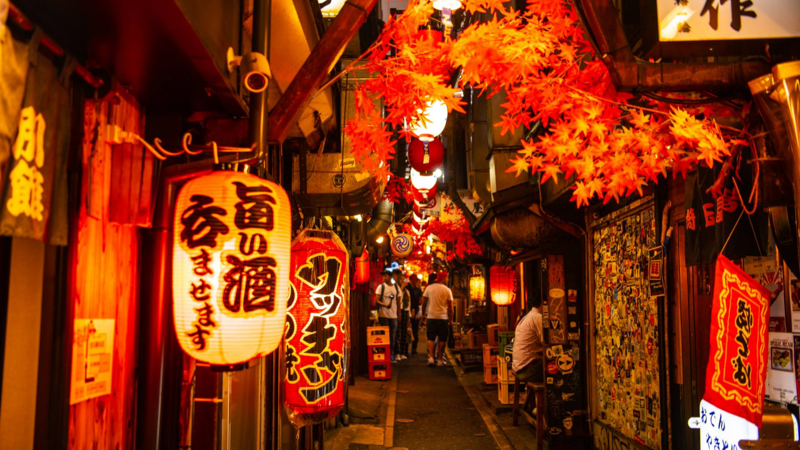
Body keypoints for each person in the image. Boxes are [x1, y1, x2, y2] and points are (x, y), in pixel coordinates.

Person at [421, 272, 453, 366]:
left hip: (431, 316)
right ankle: (439, 360)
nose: (447, 279)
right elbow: (450, 306)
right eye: (446, 278)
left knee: (431, 337)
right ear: (443, 278)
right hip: (443, 317)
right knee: (442, 339)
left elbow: (424, 302)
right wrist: (450, 319)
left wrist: (423, 314)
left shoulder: (429, 288)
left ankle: (431, 357)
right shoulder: (447, 290)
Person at [512, 299, 544, 382]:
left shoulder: (526, 317)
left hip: (518, 368)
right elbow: (546, 343)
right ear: (542, 303)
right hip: (527, 370)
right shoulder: (538, 317)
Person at [375, 269, 400, 362]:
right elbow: (377, 300)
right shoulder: (381, 287)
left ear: (390, 277)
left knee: (392, 337)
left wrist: (399, 315)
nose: (384, 277)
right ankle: (384, 355)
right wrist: (385, 305)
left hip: (393, 315)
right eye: (383, 276)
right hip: (383, 315)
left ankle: (391, 355)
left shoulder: (396, 288)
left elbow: (398, 301)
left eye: (385, 276)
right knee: (384, 336)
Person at [395, 270, 411, 360]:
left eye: (404, 279)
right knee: (398, 333)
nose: (403, 281)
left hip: (405, 312)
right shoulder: (397, 289)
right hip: (398, 311)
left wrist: (409, 316)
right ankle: (397, 353)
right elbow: (397, 300)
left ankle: (403, 352)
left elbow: (409, 304)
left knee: (404, 333)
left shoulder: (407, 292)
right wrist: (401, 288)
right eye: (401, 279)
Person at [406, 274, 423, 355]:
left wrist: (418, 313)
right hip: (407, 312)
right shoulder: (407, 288)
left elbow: (420, 302)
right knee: (407, 331)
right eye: (413, 279)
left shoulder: (418, 290)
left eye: (415, 280)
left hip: (415, 313)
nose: (414, 281)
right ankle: (405, 349)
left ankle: (414, 348)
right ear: (410, 280)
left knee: (415, 331)